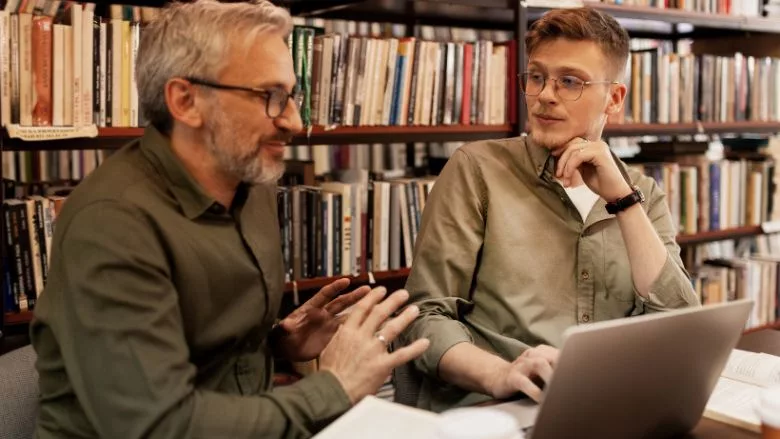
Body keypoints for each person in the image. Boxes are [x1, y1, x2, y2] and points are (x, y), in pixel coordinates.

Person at [29, 1, 429, 438]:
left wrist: (274, 343)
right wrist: (335, 387)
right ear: (186, 101)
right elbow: (157, 426)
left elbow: (200, 354)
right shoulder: (112, 224)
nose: (295, 121)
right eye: (270, 97)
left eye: (292, 96)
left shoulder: (250, 183)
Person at [397, 6, 699, 412]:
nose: (544, 95)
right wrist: (501, 374)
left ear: (613, 98)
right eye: (537, 77)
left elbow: (682, 328)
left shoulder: (642, 192)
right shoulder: (477, 169)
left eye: (569, 81)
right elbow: (426, 316)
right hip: (495, 408)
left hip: (605, 408)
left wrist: (624, 203)